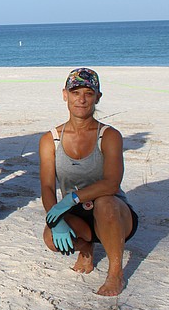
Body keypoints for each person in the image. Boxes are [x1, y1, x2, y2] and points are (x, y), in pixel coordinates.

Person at [39, 68, 139, 296]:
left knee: (105, 202)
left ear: (98, 97)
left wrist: (72, 198)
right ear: (65, 95)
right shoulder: (50, 139)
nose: (81, 99)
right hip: (77, 214)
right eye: (75, 93)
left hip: (114, 214)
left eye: (88, 93)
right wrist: (55, 219)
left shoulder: (109, 135)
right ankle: (86, 247)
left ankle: (115, 273)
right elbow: (47, 186)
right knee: (50, 238)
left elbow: (112, 183)